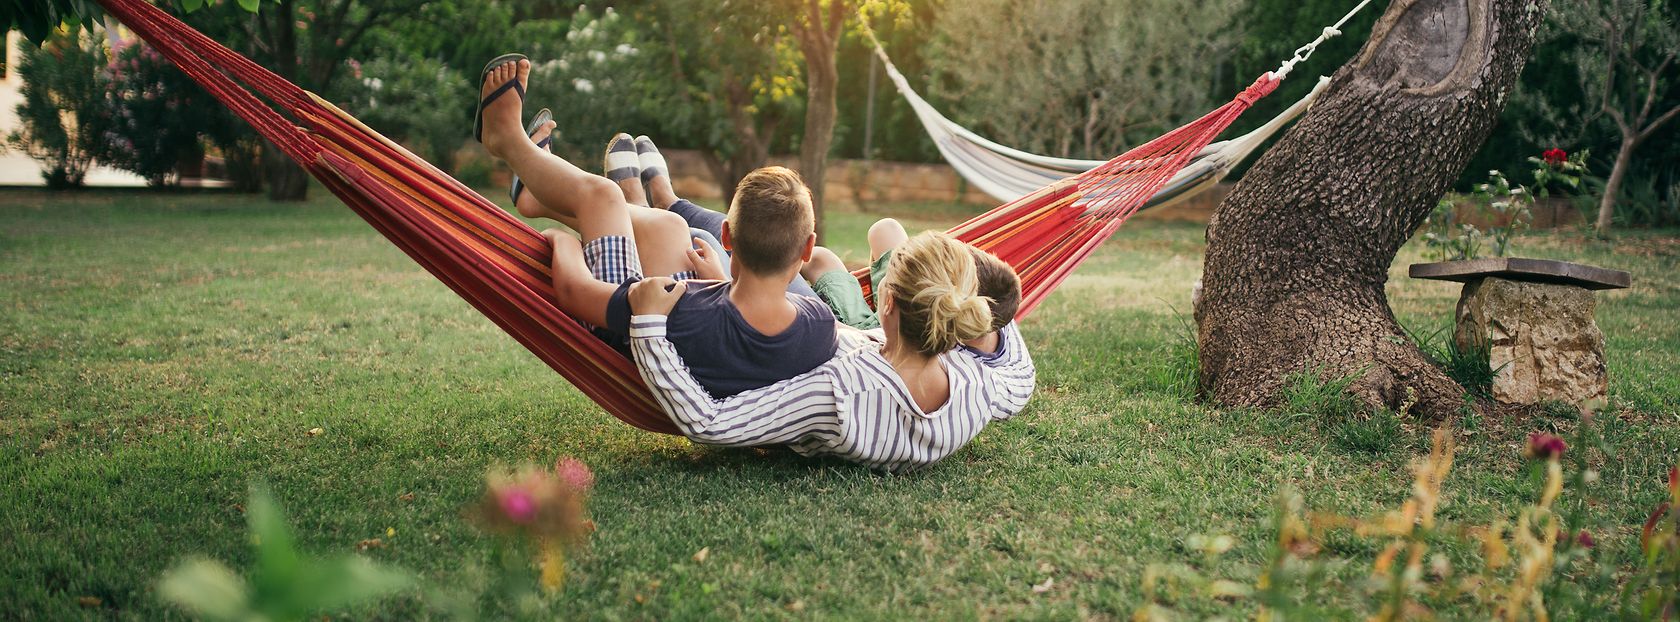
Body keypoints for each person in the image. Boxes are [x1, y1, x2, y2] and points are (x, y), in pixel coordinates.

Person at [475, 56, 838, 399]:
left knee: (604, 196)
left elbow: (574, 293)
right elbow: (748, 337)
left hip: (628, 334)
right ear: (807, 249)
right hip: (688, 339)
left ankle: (508, 141)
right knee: (670, 226)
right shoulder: (820, 326)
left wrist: (563, 243)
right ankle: (538, 198)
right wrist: (720, 286)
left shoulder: (688, 309)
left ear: (727, 236)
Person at [625, 231, 1018, 472]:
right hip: (834, 334)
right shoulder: (978, 389)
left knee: (708, 239)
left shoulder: (837, 394)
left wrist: (648, 325)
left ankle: (651, 203)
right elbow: (1019, 377)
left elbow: (710, 423)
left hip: (779, 348)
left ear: (886, 301)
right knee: (731, 248)